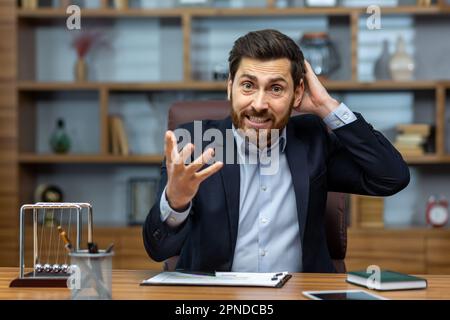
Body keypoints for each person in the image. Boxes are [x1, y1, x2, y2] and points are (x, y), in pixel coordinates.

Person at [143, 29, 410, 273]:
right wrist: (176, 203)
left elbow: (391, 177)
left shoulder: (312, 140)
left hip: (301, 293)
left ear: (297, 94)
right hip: (219, 300)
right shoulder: (194, 143)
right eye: (248, 85)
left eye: (276, 88)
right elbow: (159, 250)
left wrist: (326, 105)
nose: (259, 104)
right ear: (230, 87)